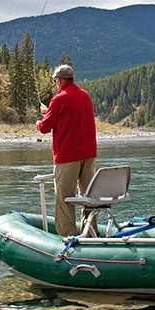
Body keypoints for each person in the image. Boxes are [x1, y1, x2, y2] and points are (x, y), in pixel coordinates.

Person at [36, 64, 97, 236]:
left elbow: (45, 127)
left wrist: (39, 122)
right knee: (88, 197)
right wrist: (50, 112)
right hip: (89, 155)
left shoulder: (59, 99)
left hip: (67, 156)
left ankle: (67, 236)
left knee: (64, 199)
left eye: (56, 81)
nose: (56, 84)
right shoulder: (86, 96)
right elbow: (69, 117)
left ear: (60, 80)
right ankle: (90, 233)